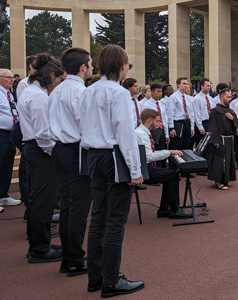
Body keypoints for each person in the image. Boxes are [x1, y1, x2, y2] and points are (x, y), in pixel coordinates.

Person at [79, 45, 145, 297]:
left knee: (98, 217)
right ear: (120, 66)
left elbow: (81, 125)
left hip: (93, 155)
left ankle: (96, 277)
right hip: (114, 156)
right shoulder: (118, 94)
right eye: (128, 64)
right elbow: (125, 133)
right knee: (115, 220)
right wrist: (135, 170)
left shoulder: (89, 91)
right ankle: (111, 281)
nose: (128, 68)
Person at [48, 47, 93, 275]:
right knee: (78, 208)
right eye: (90, 64)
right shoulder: (80, 91)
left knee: (67, 205)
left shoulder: (56, 90)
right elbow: (85, 126)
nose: (92, 67)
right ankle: (75, 259)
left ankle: (68, 257)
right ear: (83, 67)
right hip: (76, 150)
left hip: (59, 150)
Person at [18, 54, 65, 263]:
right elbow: (43, 133)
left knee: (40, 200)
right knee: (43, 201)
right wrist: (55, 154)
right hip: (40, 149)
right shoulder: (37, 96)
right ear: (52, 75)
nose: (60, 84)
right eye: (59, 79)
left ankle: (39, 245)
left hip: (34, 147)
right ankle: (39, 249)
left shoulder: (31, 92)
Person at [136, 109, 192, 218]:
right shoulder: (141, 134)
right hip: (142, 170)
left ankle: (164, 208)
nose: (158, 124)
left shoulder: (141, 132)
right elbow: (149, 156)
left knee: (169, 174)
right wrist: (169, 152)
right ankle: (174, 210)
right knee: (173, 175)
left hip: (142, 166)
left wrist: (168, 152)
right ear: (149, 121)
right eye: (157, 121)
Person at [207, 89, 238, 190]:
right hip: (220, 139)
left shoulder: (231, 111)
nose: (230, 99)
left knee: (228, 159)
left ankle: (226, 179)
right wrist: (215, 140)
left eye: (230, 97)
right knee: (219, 161)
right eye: (228, 97)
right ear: (222, 97)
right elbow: (212, 127)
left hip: (229, 138)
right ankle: (218, 182)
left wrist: (232, 119)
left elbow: (237, 123)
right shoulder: (215, 111)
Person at [0, 69, 21, 211]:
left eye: (12, 77)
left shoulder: (9, 94)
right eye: (8, 77)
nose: (12, 79)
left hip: (9, 135)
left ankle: (3, 195)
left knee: (7, 165)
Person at [142, 84, 170, 168]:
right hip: (153, 131)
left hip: (161, 131)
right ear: (152, 92)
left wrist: (167, 134)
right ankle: (156, 169)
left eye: (161, 91)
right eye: (158, 91)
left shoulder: (161, 104)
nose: (160, 93)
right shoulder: (147, 105)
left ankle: (163, 168)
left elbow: (165, 120)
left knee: (163, 150)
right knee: (155, 151)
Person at [167, 77, 196, 151]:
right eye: (184, 83)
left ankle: (186, 162)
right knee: (177, 146)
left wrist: (192, 127)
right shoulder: (173, 97)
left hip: (187, 122)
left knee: (187, 146)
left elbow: (191, 113)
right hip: (178, 123)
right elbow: (170, 113)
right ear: (178, 85)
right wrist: (171, 128)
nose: (186, 85)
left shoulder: (189, 98)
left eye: (187, 83)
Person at [192, 78, 213, 150]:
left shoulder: (210, 98)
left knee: (209, 146)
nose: (209, 87)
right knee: (201, 146)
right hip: (202, 123)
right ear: (202, 86)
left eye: (209, 86)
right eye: (207, 85)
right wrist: (200, 127)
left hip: (210, 123)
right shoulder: (196, 99)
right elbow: (197, 114)